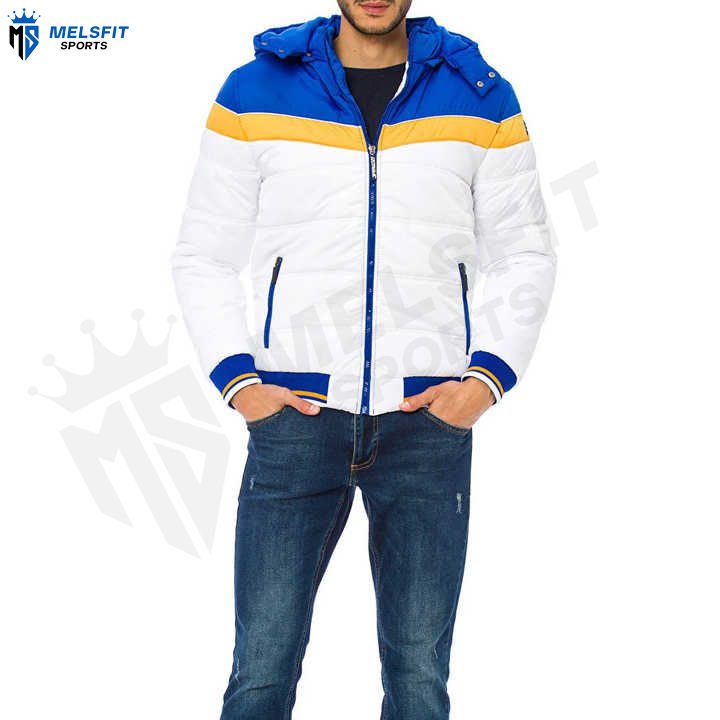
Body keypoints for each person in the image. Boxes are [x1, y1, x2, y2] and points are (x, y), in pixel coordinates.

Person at [172, 2, 556, 718]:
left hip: (428, 421)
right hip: (293, 417)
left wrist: (483, 382)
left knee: (418, 677)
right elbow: (205, 254)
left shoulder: (481, 94)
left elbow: (525, 253)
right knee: (261, 671)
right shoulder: (253, 91)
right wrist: (240, 382)